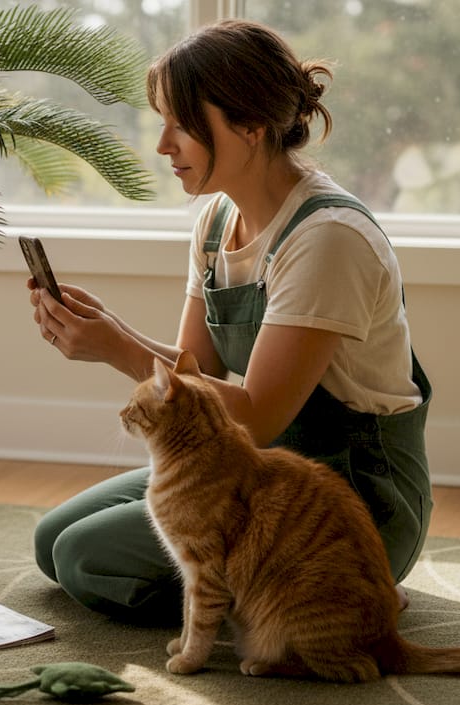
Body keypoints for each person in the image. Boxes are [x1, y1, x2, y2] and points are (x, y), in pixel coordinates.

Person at [27, 19, 432, 624]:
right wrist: (108, 327)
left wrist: (117, 350)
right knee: (51, 541)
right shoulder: (218, 221)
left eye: (183, 125)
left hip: (345, 502)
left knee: (85, 557)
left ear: (251, 126)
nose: (164, 144)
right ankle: (266, 594)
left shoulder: (327, 240)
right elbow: (198, 372)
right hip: (254, 474)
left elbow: (259, 415)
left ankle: (334, 595)